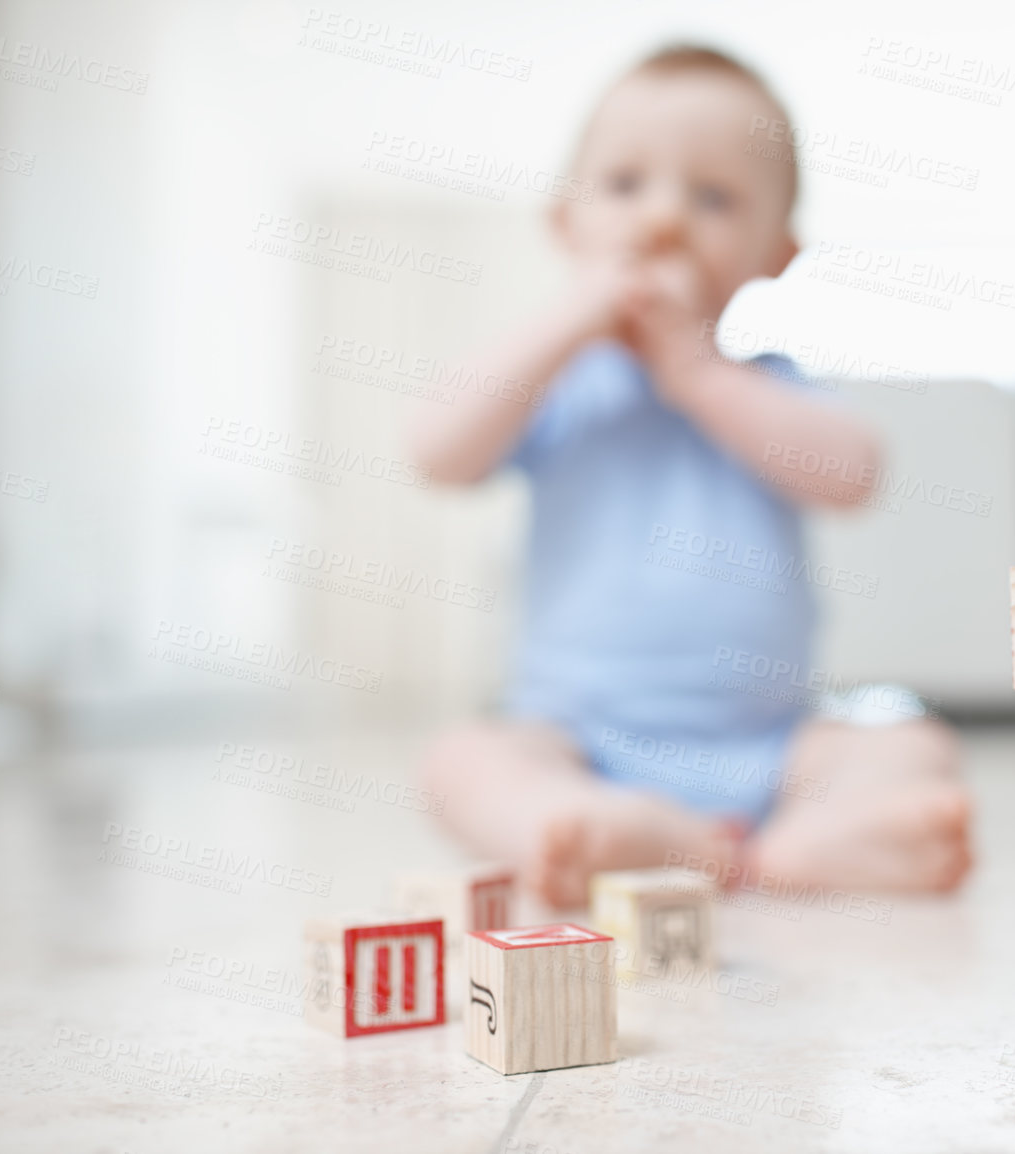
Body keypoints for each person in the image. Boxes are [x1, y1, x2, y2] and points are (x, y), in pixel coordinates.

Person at [413, 45, 970, 909]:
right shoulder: (558, 389)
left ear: (775, 251)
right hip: (579, 745)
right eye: (626, 184)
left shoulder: (765, 387)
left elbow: (856, 473)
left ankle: (801, 846)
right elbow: (437, 450)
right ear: (565, 225)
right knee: (460, 762)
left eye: (713, 197)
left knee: (910, 743)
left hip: (774, 750)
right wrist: (568, 319)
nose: (664, 218)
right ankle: (589, 825)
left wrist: (699, 376)